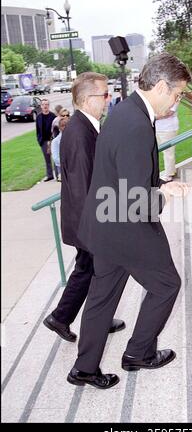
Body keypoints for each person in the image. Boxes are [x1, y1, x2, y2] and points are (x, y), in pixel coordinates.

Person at [67, 53, 191, 390]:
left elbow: (126, 174)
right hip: (126, 226)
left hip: (105, 225)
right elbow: (137, 200)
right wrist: (165, 195)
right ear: (162, 86)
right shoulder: (137, 123)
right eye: (178, 94)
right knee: (167, 284)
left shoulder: (126, 111)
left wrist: (163, 183)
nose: (177, 102)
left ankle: (84, 368)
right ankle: (139, 353)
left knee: (101, 296)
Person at [43, 72, 125, 343]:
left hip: (88, 220)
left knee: (90, 269)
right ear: (88, 98)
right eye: (104, 94)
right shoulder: (79, 132)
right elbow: (83, 186)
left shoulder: (86, 126)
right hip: (88, 222)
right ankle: (64, 317)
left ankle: (64, 317)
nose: (107, 99)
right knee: (92, 269)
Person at [155, 103, 179, 181]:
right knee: (156, 151)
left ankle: (169, 174)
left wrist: (153, 117)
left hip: (168, 128)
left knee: (168, 152)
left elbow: (169, 112)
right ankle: (170, 171)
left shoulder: (175, 97)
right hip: (157, 127)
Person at [36, 98, 56, 181]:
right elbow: (37, 130)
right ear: (41, 106)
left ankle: (59, 175)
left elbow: (56, 129)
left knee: (55, 158)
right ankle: (50, 175)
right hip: (43, 141)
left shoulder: (53, 116)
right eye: (43, 104)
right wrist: (39, 140)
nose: (45, 106)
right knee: (47, 159)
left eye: (47, 104)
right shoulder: (38, 117)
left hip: (52, 140)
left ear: (49, 105)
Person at [51, 114, 70, 181]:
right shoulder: (55, 141)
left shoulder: (74, 138)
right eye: (62, 126)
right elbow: (56, 158)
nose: (65, 127)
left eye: (66, 125)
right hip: (63, 169)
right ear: (59, 128)